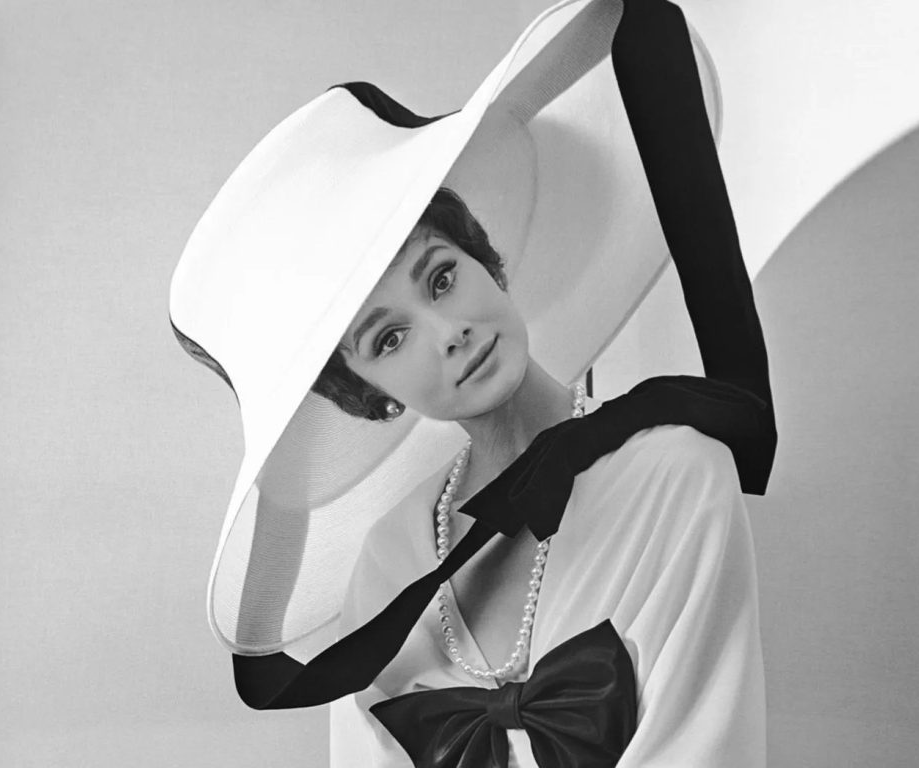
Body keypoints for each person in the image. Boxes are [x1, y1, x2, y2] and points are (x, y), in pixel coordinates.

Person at [169, 0, 776, 765]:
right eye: (390, 338)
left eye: (442, 277)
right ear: (370, 393)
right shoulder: (389, 562)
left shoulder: (677, 474)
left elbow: (705, 746)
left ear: (487, 261)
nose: (447, 331)